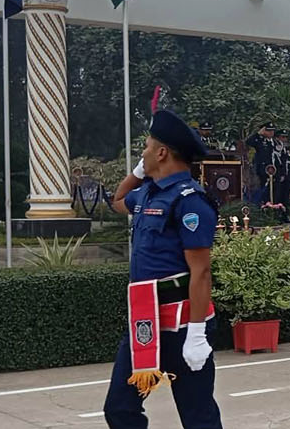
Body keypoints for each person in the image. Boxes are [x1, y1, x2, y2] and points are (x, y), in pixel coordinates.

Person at [102, 110, 221, 429]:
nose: (142, 153)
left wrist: (197, 334)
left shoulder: (190, 201)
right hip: (145, 319)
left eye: (146, 148)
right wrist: (139, 171)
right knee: (119, 408)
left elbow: (201, 272)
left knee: (198, 416)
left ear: (162, 152)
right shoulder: (146, 194)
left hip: (182, 322)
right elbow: (118, 199)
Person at [245, 123, 279, 204]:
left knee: (272, 193)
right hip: (261, 171)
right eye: (268, 131)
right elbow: (248, 142)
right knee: (260, 192)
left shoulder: (273, 142)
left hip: (272, 171)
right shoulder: (259, 140)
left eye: (272, 131)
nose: (271, 133)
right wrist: (258, 134)